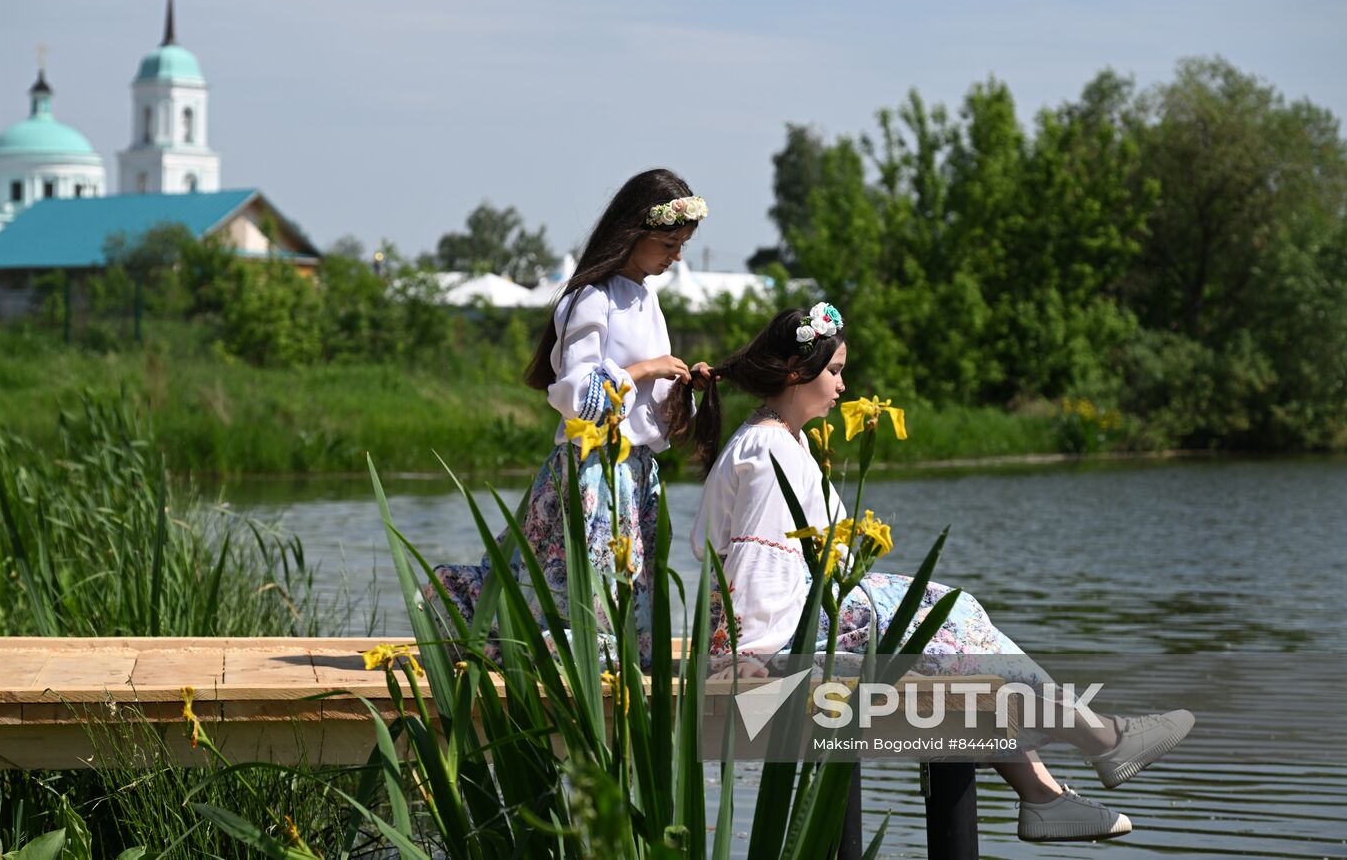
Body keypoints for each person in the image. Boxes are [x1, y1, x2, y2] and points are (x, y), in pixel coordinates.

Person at [690, 304, 1194, 843]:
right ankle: (1088, 750)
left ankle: (1053, 786)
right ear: (796, 370)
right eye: (835, 370)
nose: (843, 384)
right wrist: (752, 658)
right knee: (948, 631)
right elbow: (753, 568)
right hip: (780, 636)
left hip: (798, 619)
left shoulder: (781, 439)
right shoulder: (769, 449)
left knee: (952, 627)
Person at [428, 168, 710, 667]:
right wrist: (647, 369)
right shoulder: (592, 297)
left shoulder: (647, 298)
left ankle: (609, 681)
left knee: (624, 597)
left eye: (681, 244)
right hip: (593, 470)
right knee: (581, 595)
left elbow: (645, 406)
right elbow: (577, 394)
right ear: (634, 232)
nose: (676, 256)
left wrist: (683, 388)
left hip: (634, 472)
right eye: (669, 243)